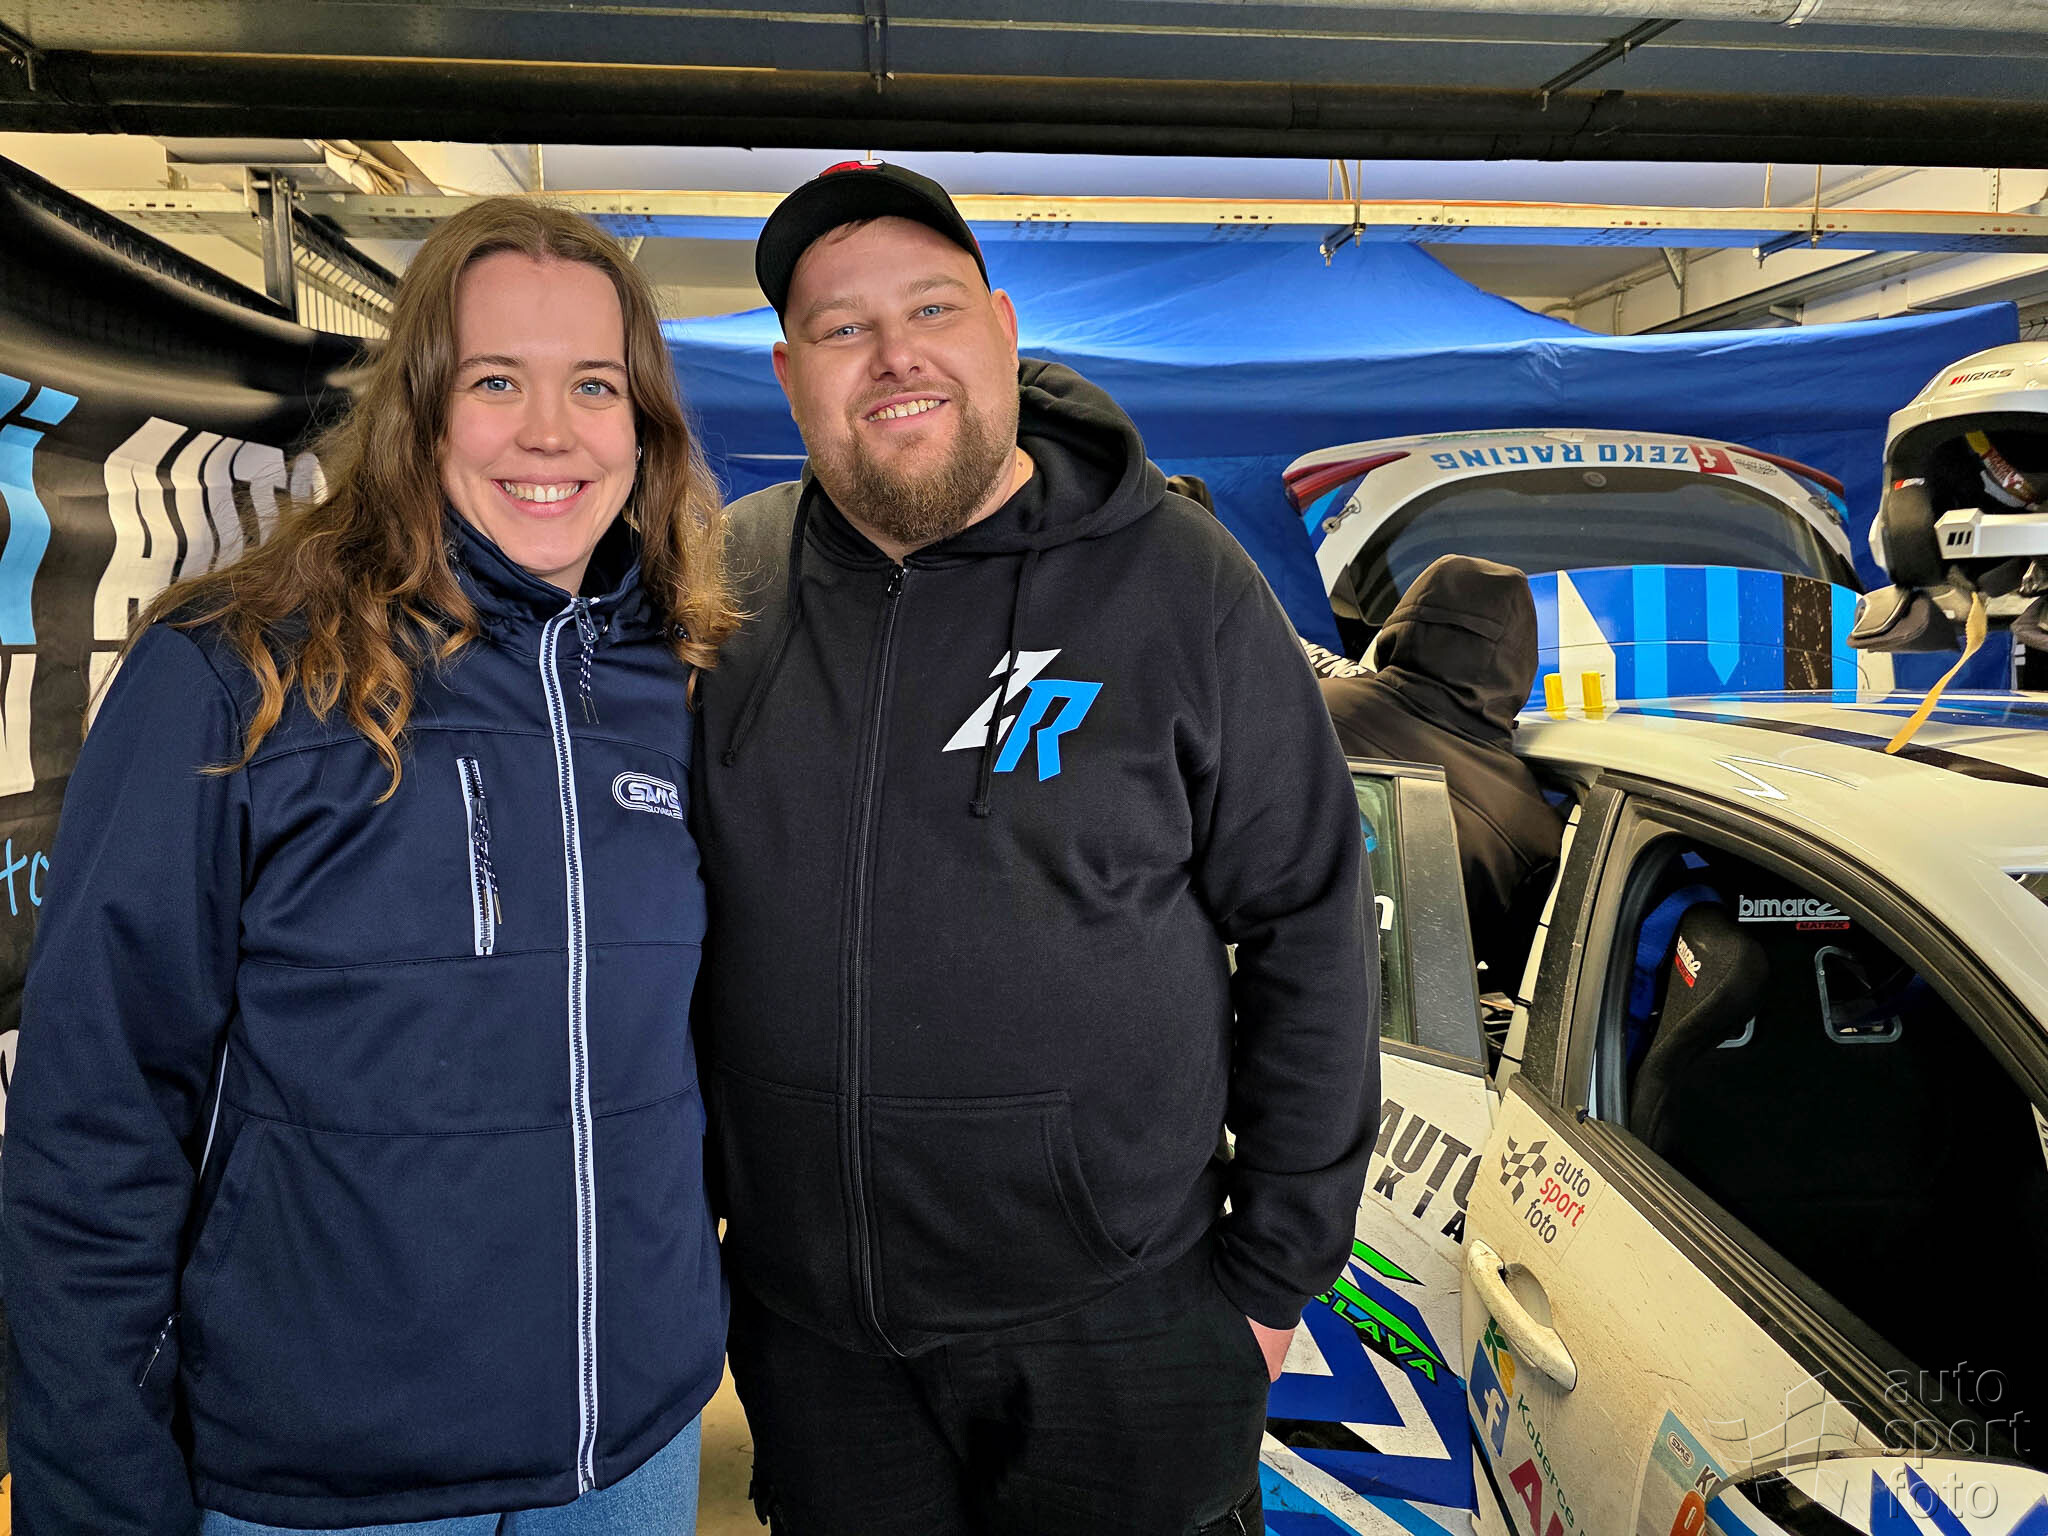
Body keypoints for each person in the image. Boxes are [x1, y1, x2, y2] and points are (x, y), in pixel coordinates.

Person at [2, 199, 737, 1534]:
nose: (551, 431)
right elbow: (95, 1114)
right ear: (417, 410)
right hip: (341, 1480)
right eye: (494, 381)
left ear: (645, 428)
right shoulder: (233, 672)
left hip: (629, 1452)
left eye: (593, 385)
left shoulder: (669, 677)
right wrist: (95, 1490)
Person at [691, 161, 1377, 1536]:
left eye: (930, 308)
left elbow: (1307, 918)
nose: (893, 356)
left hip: (1126, 1317)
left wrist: (1270, 1280)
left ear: (1002, 330)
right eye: (840, 327)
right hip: (818, 1337)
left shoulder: (1180, 579)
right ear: (789, 374)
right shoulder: (728, 583)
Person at [1315, 554, 1564, 985]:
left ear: (1403, 626)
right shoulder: (1523, 829)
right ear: (1518, 666)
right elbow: (1539, 991)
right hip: (1372, 1017)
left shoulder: (1306, 705)